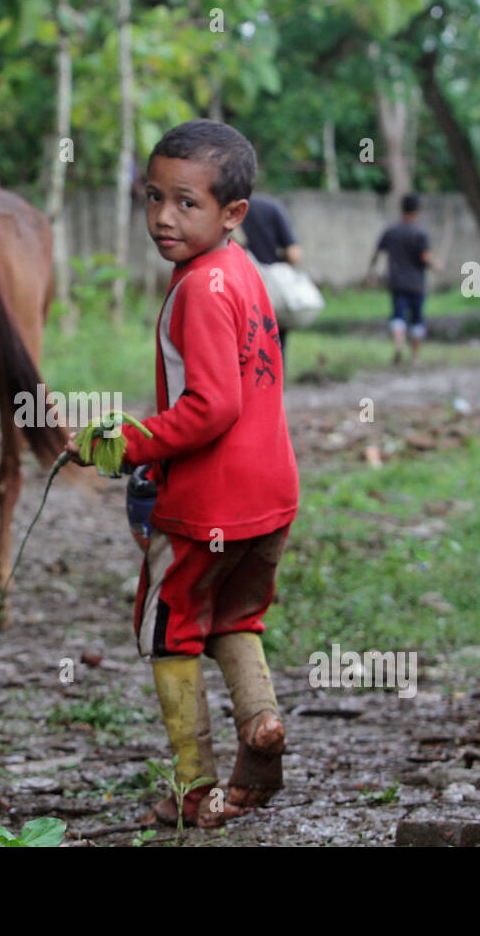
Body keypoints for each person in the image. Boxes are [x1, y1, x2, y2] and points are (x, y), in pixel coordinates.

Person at [66, 120, 300, 829]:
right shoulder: (242, 271)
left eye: (187, 203)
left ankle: (192, 786)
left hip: (206, 506)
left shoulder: (199, 288)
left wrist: (131, 443)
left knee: (169, 632)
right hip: (271, 497)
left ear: (233, 214)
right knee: (236, 615)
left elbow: (211, 407)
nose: (164, 217)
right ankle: (260, 726)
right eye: (153, 197)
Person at [366, 193, 442, 366]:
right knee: (417, 319)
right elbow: (426, 258)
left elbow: (375, 253)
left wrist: (371, 273)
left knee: (398, 317)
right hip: (416, 284)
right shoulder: (420, 233)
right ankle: (415, 357)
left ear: (402, 209)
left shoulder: (391, 231)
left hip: (397, 282)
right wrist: (437, 266)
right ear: (417, 211)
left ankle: (399, 345)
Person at [238, 193, 303, 379]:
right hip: (269, 289)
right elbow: (294, 253)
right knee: (274, 338)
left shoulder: (226, 210)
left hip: (239, 284)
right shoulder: (272, 208)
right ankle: (274, 388)